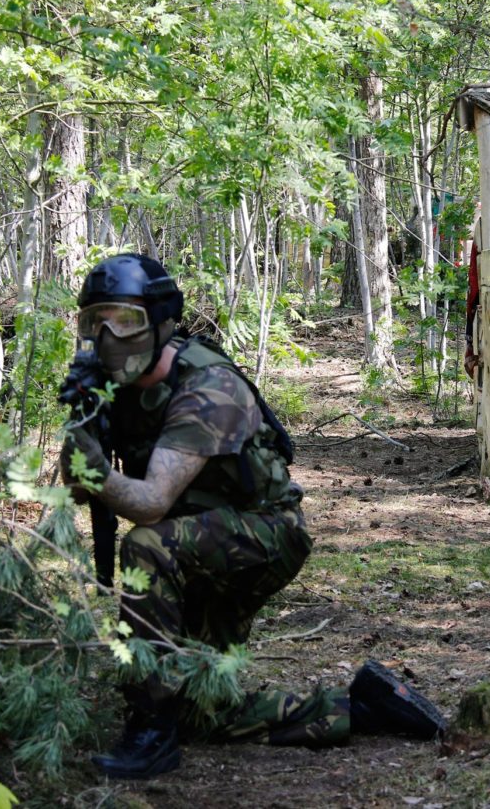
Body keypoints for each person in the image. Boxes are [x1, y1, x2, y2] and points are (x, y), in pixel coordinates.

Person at [61, 253, 447, 779]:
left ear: (162, 320)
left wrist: (90, 464)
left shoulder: (207, 387)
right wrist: (83, 430)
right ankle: (355, 708)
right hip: (200, 541)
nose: (109, 337)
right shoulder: (115, 389)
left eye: (125, 321)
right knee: (201, 711)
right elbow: (87, 493)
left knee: (145, 546)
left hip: (265, 536)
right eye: (95, 322)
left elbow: (148, 502)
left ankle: (149, 730)